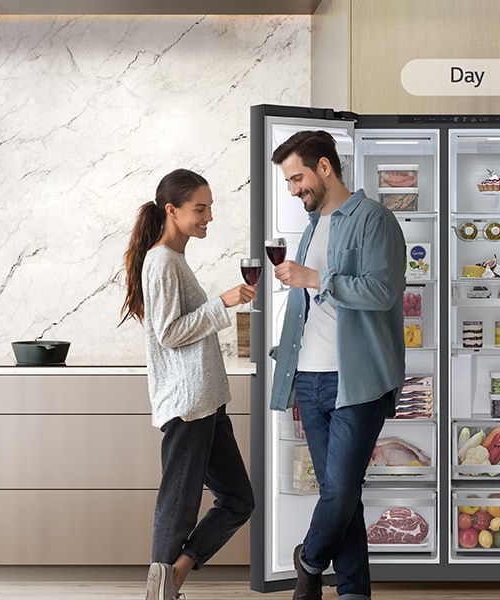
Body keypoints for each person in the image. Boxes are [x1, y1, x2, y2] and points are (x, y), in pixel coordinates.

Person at [268, 131, 406, 600]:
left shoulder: (375, 219)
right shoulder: (311, 228)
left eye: (298, 178)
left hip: (356, 379)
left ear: (325, 167)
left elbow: (383, 292)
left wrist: (314, 277)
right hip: (309, 378)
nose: (293, 190)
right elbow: (309, 309)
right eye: (288, 183)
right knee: (341, 496)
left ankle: (308, 560)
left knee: (341, 492)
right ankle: (352, 592)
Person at [120, 168, 257, 600]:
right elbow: (168, 332)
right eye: (200, 209)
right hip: (187, 403)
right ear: (172, 210)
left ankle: (174, 575)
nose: (208, 217)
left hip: (207, 401)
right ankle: (159, 592)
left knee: (238, 500)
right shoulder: (161, 259)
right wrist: (223, 303)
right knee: (178, 504)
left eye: (210, 208)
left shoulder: (175, 259)